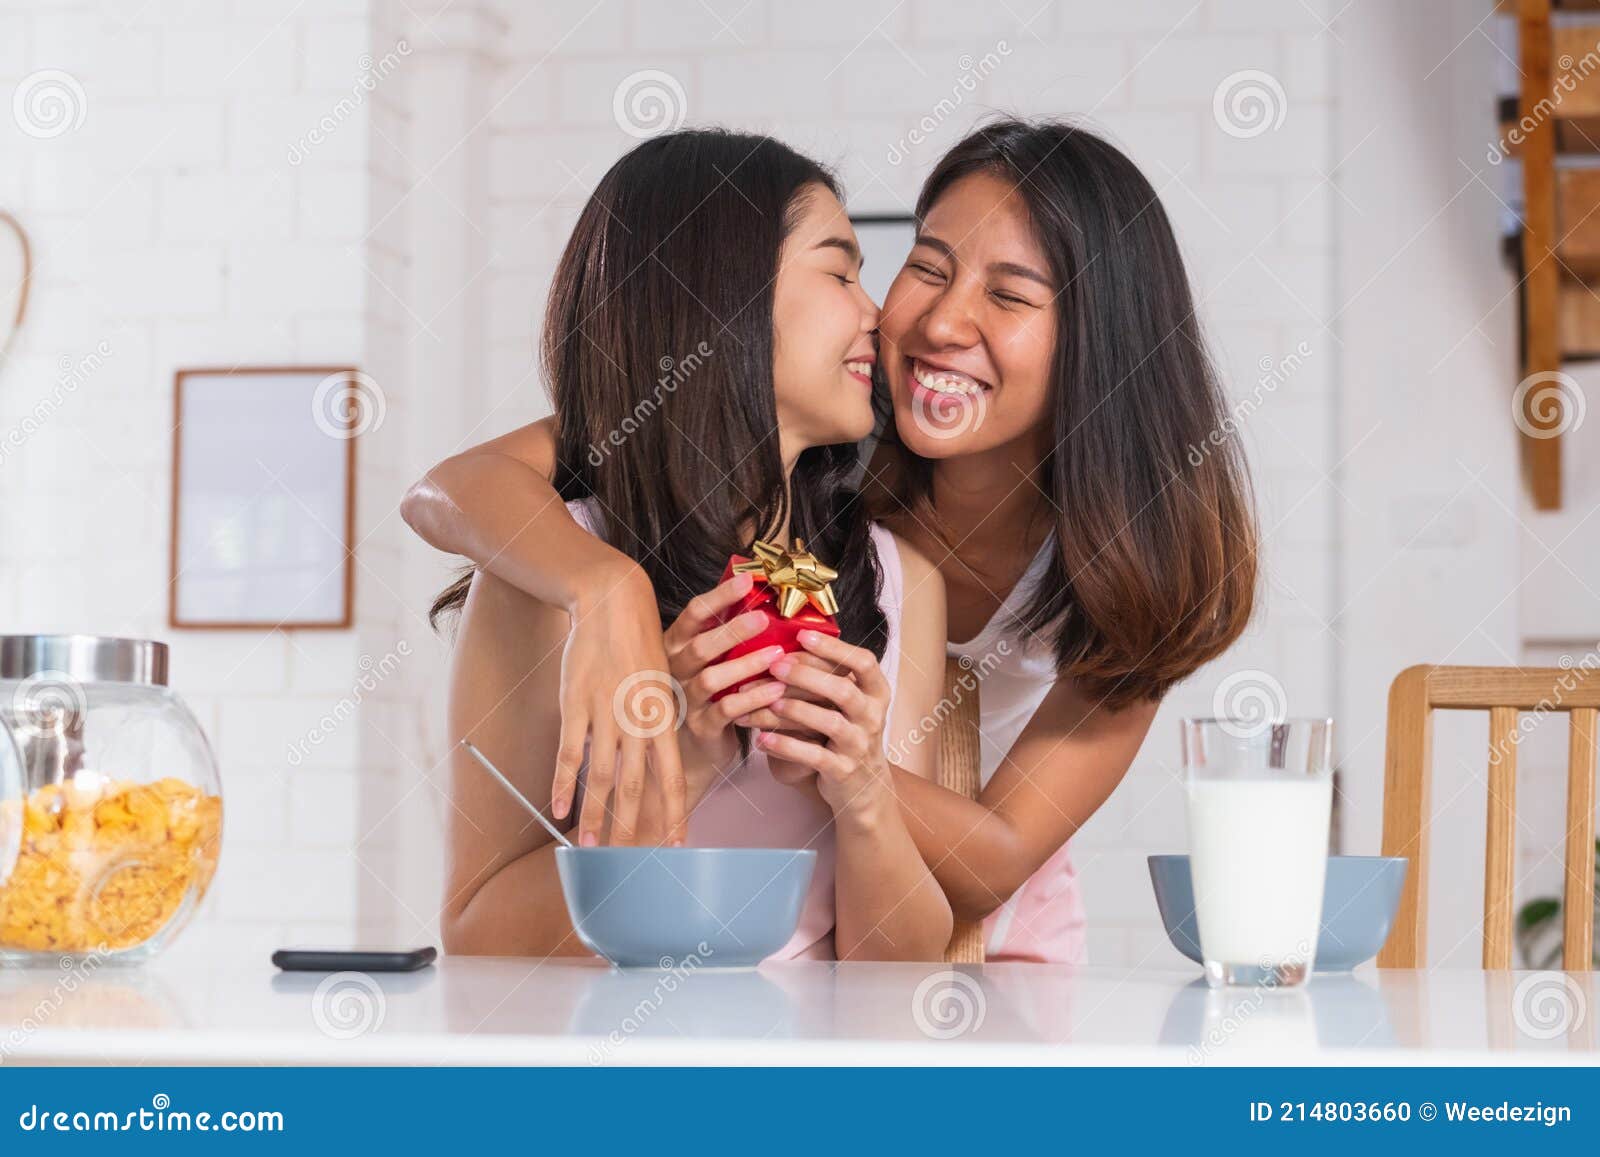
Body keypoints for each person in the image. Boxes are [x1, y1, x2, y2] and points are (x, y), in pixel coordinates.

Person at [405, 118, 1257, 964]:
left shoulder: (940, 569)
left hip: (987, 926)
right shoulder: (848, 432)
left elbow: (966, 884)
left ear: (1096, 347)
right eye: (923, 266)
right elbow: (461, 483)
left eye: (1010, 294)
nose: (917, 319)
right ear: (725, 306)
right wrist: (610, 600)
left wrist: (847, 774)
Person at [419, 129, 952, 961]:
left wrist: (865, 794)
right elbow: (480, 937)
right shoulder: (550, 567)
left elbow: (903, 967)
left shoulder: (894, 579)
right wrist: (685, 760)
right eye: (842, 271)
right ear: (725, 296)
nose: (875, 312)